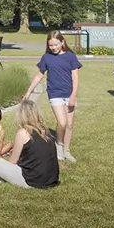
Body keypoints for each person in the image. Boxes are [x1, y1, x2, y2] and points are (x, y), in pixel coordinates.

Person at [23, 30, 82, 162]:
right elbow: (39, 75)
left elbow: (76, 78)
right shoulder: (46, 58)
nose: (53, 48)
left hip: (69, 94)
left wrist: (73, 95)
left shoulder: (70, 56)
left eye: (56, 44)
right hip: (55, 94)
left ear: (62, 42)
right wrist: (29, 91)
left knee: (70, 124)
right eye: (51, 45)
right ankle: (59, 146)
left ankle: (66, 151)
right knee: (62, 123)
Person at [0, 99, 59, 188]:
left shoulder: (23, 132)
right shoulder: (45, 131)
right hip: (52, 179)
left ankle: (1, 178)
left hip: (32, 180)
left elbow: (12, 161)